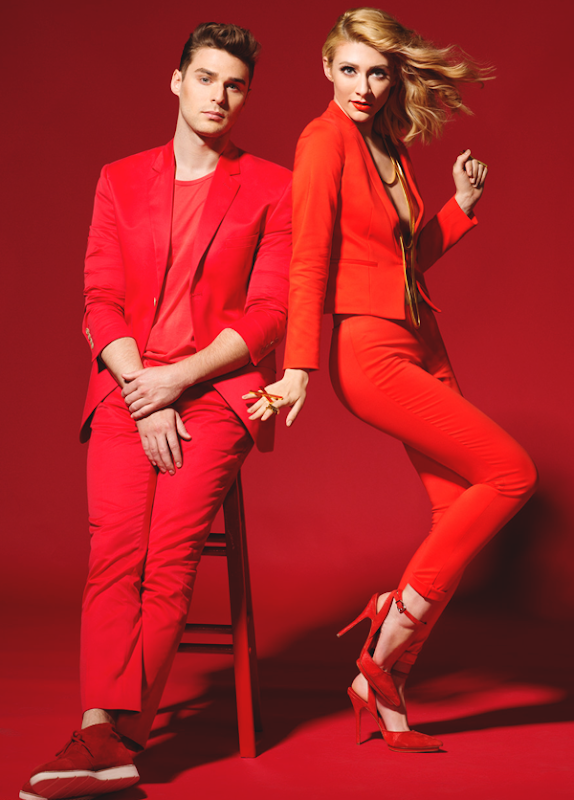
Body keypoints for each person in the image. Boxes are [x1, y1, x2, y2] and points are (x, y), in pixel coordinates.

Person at [246, 7, 537, 752]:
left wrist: (458, 209)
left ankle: (385, 682)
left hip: (420, 338)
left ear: (392, 75)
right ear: (326, 68)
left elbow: (400, 264)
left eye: (377, 72)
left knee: (454, 514)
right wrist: (300, 367)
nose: (363, 86)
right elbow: (310, 258)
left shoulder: (388, 144)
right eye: (349, 69)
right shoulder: (322, 142)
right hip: (369, 351)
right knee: (512, 474)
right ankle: (385, 636)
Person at [21, 22, 291, 800]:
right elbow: (99, 299)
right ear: (177, 81)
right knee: (114, 552)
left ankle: (113, 738)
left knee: (167, 559)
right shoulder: (118, 179)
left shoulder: (273, 187)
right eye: (206, 78)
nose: (219, 95)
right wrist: (146, 390)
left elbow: (269, 316)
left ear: (246, 95)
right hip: (129, 386)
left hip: (216, 393)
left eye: (234, 84)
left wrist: (178, 382)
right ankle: (102, 733)